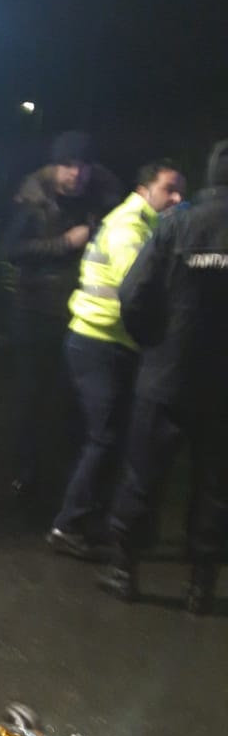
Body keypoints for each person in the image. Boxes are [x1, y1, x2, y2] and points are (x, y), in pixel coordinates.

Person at [99, 138, 228, 614]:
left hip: (167, 376)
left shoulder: (175, 224)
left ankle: (124, 571)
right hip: (222, 388)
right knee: (215, 486)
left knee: (143, 474)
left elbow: (133, 293)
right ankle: (201, 587)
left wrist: (153, 342)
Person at [47, 160, 185, 559]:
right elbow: (138, 291)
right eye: (169, 189)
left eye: (180, 190)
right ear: (145, 189)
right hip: (99, 343)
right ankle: (68, 525)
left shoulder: (145, 224)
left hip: (106, 342)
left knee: (111, 437)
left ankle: (90, 520)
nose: (177, 198)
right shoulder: (130, 229)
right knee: (105, 437)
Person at [3, 133, 121, 499]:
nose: (75, 174)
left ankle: (73, 474)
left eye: (82, 166)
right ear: (54, 167)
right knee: (32, 395)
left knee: (76, 399)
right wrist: (64, 243)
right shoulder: (33, 200)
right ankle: (26, 470)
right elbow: (12, 249)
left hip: (81, 313)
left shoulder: (105, 201)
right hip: (35, 311)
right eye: (68, 166)